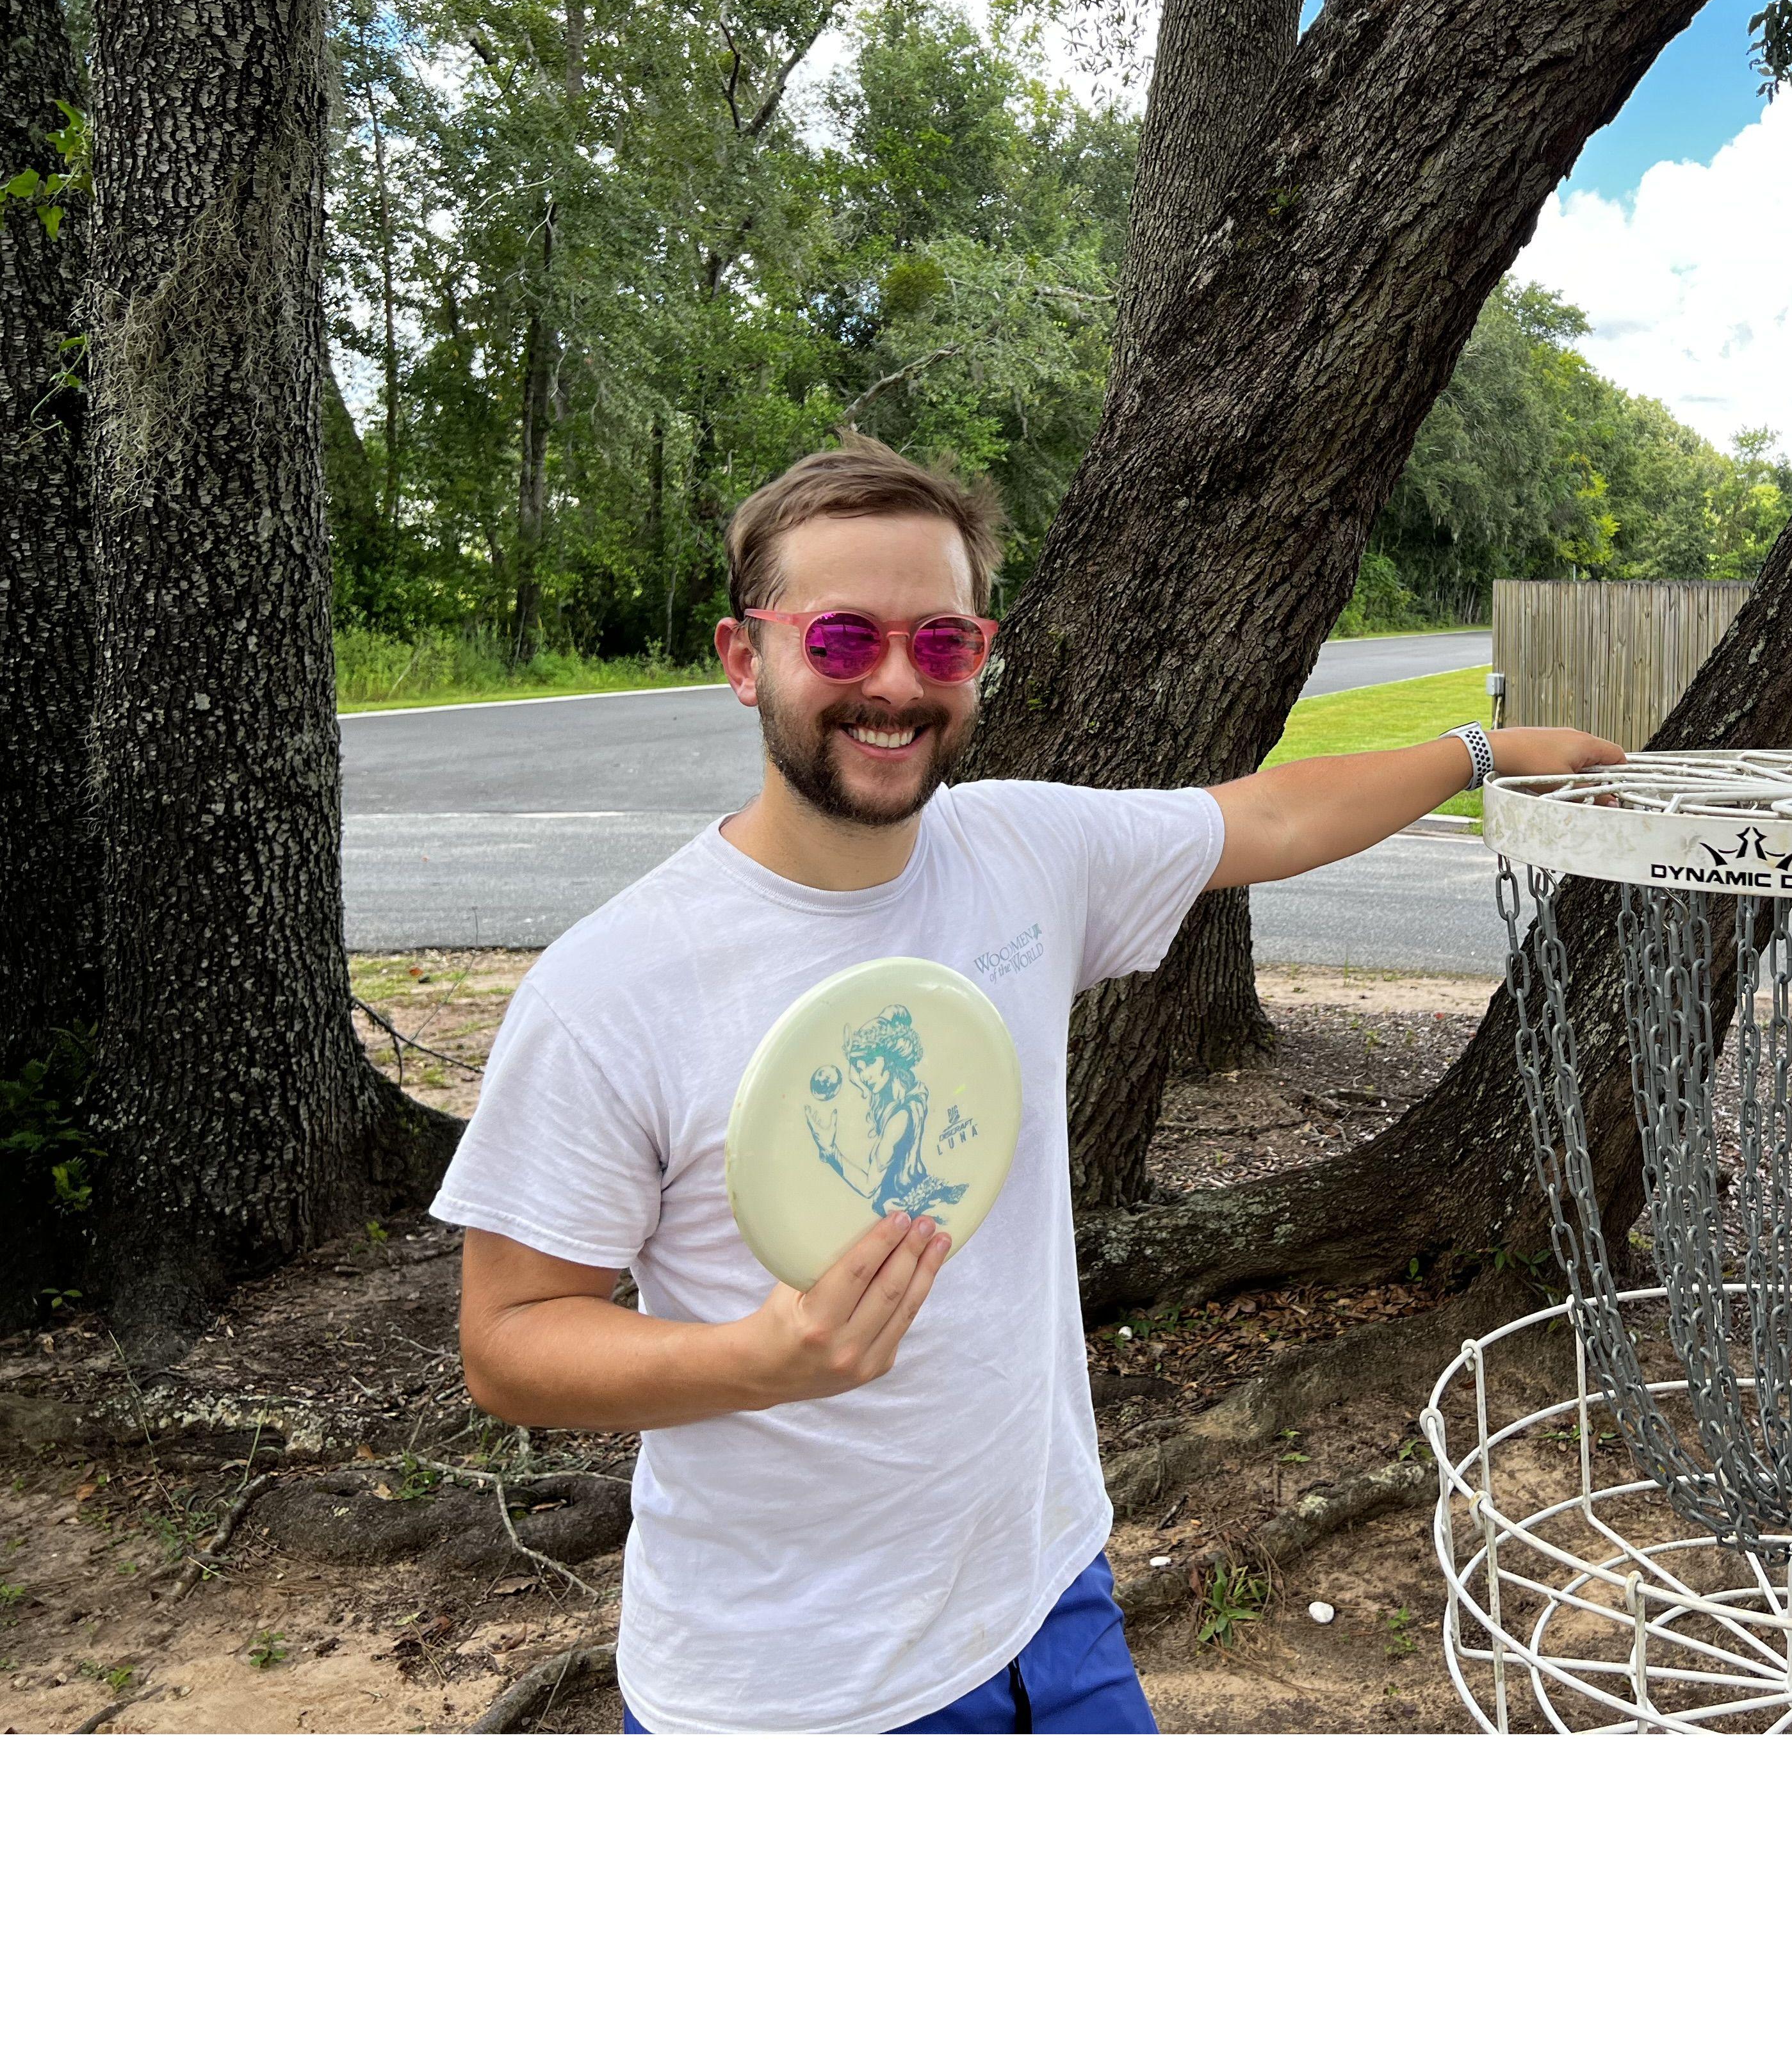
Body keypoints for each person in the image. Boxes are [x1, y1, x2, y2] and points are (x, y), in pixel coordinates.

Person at [434, 437, 1622, 1733]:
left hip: (1051, 1596)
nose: (896, 683)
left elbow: (1270, 818)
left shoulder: (1022, 849)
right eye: (841, 639)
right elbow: (511, 1341)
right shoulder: (613, 983)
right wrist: (755, 1359)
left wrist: (1481, 750)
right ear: (744, 657)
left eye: (942, 644)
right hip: (796, 1687)